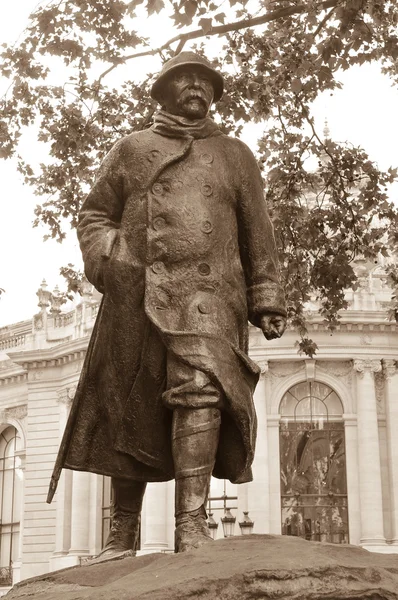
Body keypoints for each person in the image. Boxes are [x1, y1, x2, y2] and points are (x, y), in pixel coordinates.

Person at [47, 51, 287, 556]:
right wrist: (111, 256)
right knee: (127, 403)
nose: (197, 88)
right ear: (164, 91)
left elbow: (256, 230)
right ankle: (123, 529)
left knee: (201, 392)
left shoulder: (235, 154)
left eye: (205, 82)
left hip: (210, 294)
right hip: (138, 292)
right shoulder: (132, 149)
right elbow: (93, 213)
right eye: (186, 80)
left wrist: (265, 296)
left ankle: (192, 523)